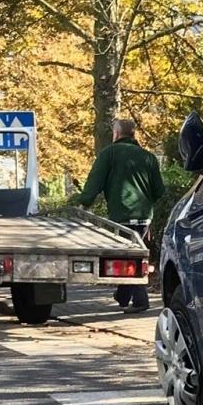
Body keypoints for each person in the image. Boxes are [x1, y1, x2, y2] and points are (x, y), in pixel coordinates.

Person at [76, 117, 164, 313]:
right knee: (131, 255)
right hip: (144, 217)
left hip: (122, 215)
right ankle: (123, 296)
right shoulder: (148, 157)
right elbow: (159, 190)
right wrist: (146, 207)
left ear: (116, 134)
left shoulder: (109, 153)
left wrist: (84, 204)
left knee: (130, 258)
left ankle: (141, 301)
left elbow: (95, 181)